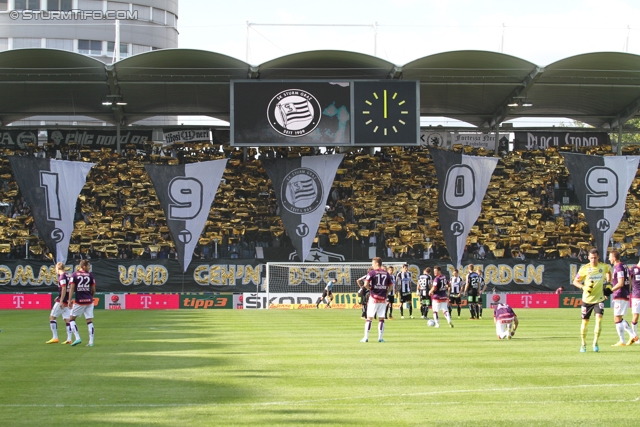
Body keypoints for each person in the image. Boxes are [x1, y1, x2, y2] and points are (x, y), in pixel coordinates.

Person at [573, 248, 611, 353]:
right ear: (588, 258)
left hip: (599, 299)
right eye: (591, 258)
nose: (593, 260)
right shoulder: (584, 269)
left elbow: (608, 272)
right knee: (585, 323)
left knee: (599, 320)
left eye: (595, 258)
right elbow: (575, 281)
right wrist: (583, 287)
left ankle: (595, 342)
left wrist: (608, 284)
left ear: (598, 257)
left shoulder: (603, 267)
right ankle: (583, 343)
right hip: (587, 299)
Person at [608, 250, 638, 346]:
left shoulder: (619, 267)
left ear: (614, 258)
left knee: (617, 318)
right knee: (619, 318)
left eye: (610, 256)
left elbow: (620, 283)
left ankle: (623, 341)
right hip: (623, 294)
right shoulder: (624, 266)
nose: (609, 258)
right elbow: (627, 280)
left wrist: (610, 290)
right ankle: (632, 336)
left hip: (620, 294)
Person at [360, 257, 393, 343]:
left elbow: (366, 284)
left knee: (369, 318)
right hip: (382, 298)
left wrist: (370, 288)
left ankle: (366, 337)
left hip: (374, 298)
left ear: (376, 263)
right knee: (381, 318)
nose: (372, 265)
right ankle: (380, 338)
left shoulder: (372, 273)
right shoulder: (386, 273)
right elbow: (391, 286)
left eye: (373, 263)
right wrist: (386, 293)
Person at [68, 259, 97, 347]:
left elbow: (72, 288)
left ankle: (77, 338)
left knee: (71, 319)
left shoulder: (74, 275)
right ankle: (91, 342)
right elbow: (93, 290)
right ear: (83, 266)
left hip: (79, 301)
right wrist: (91, 297)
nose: (89, 267)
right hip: (89, 301)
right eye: (88, 266)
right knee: (89, 321)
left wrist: (69, 300)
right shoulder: (90, 275)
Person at [46, 262, 73, 344]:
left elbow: (64, 288)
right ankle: (69, 339)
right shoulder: (68, 276)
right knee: (67, 320)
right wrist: (67, 298)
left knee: (52, 317)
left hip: (62, 301)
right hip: (67, 300)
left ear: (57, 269)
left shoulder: (62, 277)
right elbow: (70, 288)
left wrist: (61, 300)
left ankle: (55, 337)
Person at [629, 259, 640, 343]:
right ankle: (635, 336)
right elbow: (628, 281)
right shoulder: (633, 269)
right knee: (635, 316)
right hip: (636, 296)